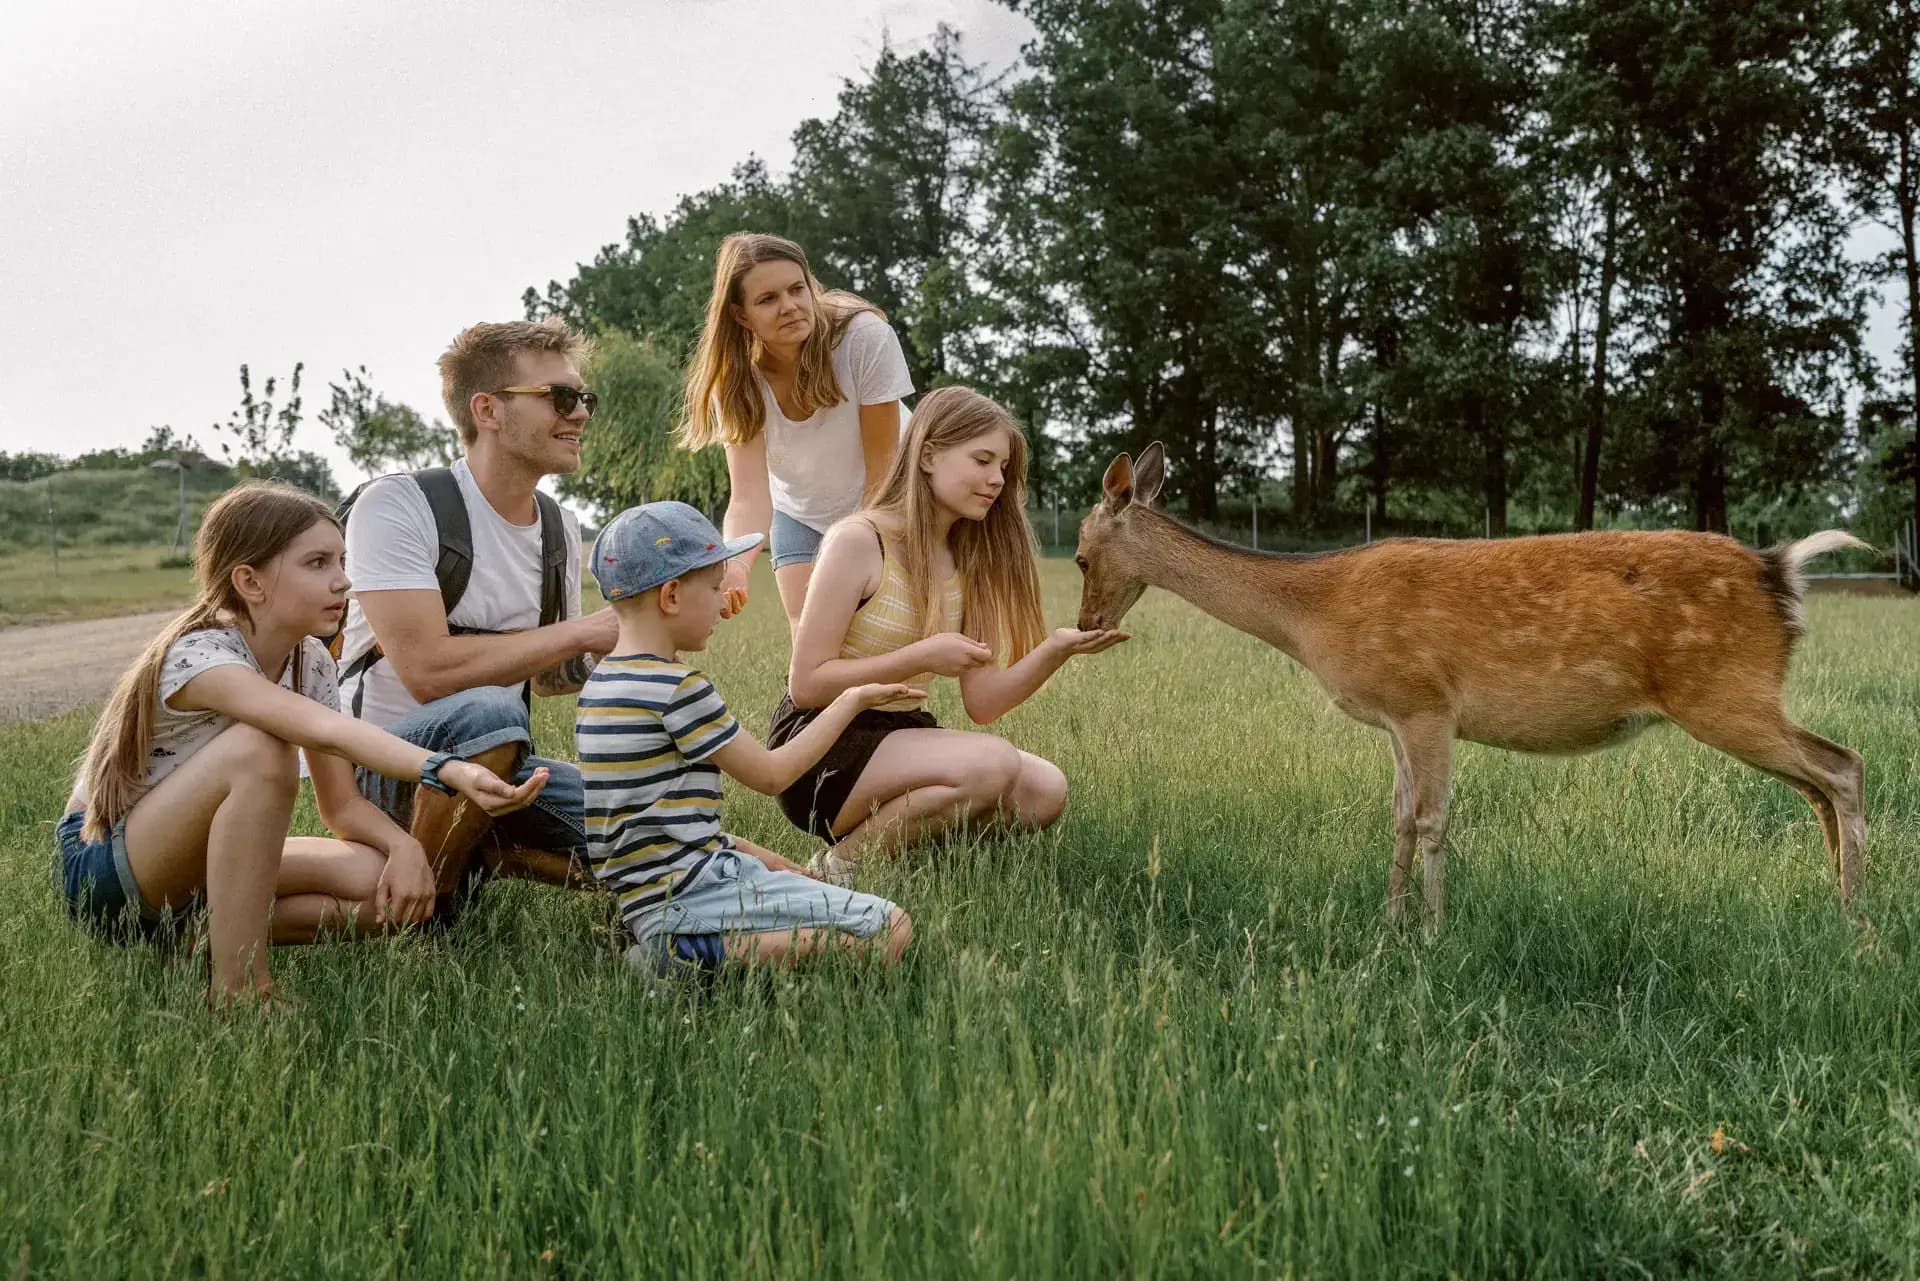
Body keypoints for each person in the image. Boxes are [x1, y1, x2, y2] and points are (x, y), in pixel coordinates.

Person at [55, 482, 545, 1008]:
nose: (344, 581)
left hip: (193, 868)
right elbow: (325, 730)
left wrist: (405, 847)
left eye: (341, 560)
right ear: (250, 581)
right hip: (107, 867)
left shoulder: (310, 661)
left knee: (384, 892)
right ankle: (240, 992)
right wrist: (449, 769)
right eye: (317, 564)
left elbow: (342, 806)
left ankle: (194, 941)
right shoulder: (201, 657)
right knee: (260, 748)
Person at [774, 386, 1130, 880]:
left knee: (1045, 791)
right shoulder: (858, 541)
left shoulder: (970, 560)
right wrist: (921, 654)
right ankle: (837, 868)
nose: (996, 480)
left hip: (902, 735)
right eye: (982, 460)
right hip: (821, 744)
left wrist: (1056, 649)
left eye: (1003, 468)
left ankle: (909, 850)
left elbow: (983, 702)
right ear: (927, 454)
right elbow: (806, 684)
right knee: (992, 765)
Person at [336, 318, 618, 918]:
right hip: (385, 771)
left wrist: (634, 643)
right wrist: (584, 630)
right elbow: (426, 672)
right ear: (487, 410)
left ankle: (480, 853)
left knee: (649, 825)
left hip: (499, 765)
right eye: (561, 399)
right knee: (493, 709)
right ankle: (428, 913)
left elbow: (550, 676)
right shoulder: (398, 505)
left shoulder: (559, 528)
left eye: (584, 398)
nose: (580, 415)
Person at [577, 502, 918, 985]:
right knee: (889, 928)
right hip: (693, 893)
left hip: (644, 897)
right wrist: (851, 701)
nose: (724, 602)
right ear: (671, 595)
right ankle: (683, 959)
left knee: (820, 899)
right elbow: (773, 774)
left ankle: (678, 945)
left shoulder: (601, 685)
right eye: (715, 588)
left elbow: (671, 830)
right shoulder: (678, 689)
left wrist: (784, 869)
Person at [676, 233, 916, 629]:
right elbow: (748, 497)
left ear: (810, 285)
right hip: (800, 510)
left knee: (875, 630)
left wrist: (861, 547)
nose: (789, 307)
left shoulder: (863, 338)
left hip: (888, 501)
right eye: (767, 299)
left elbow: (883, 469)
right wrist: (734, 566)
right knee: (809, 634)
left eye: (796, 289)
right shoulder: (736, 380)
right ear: (740, 315)